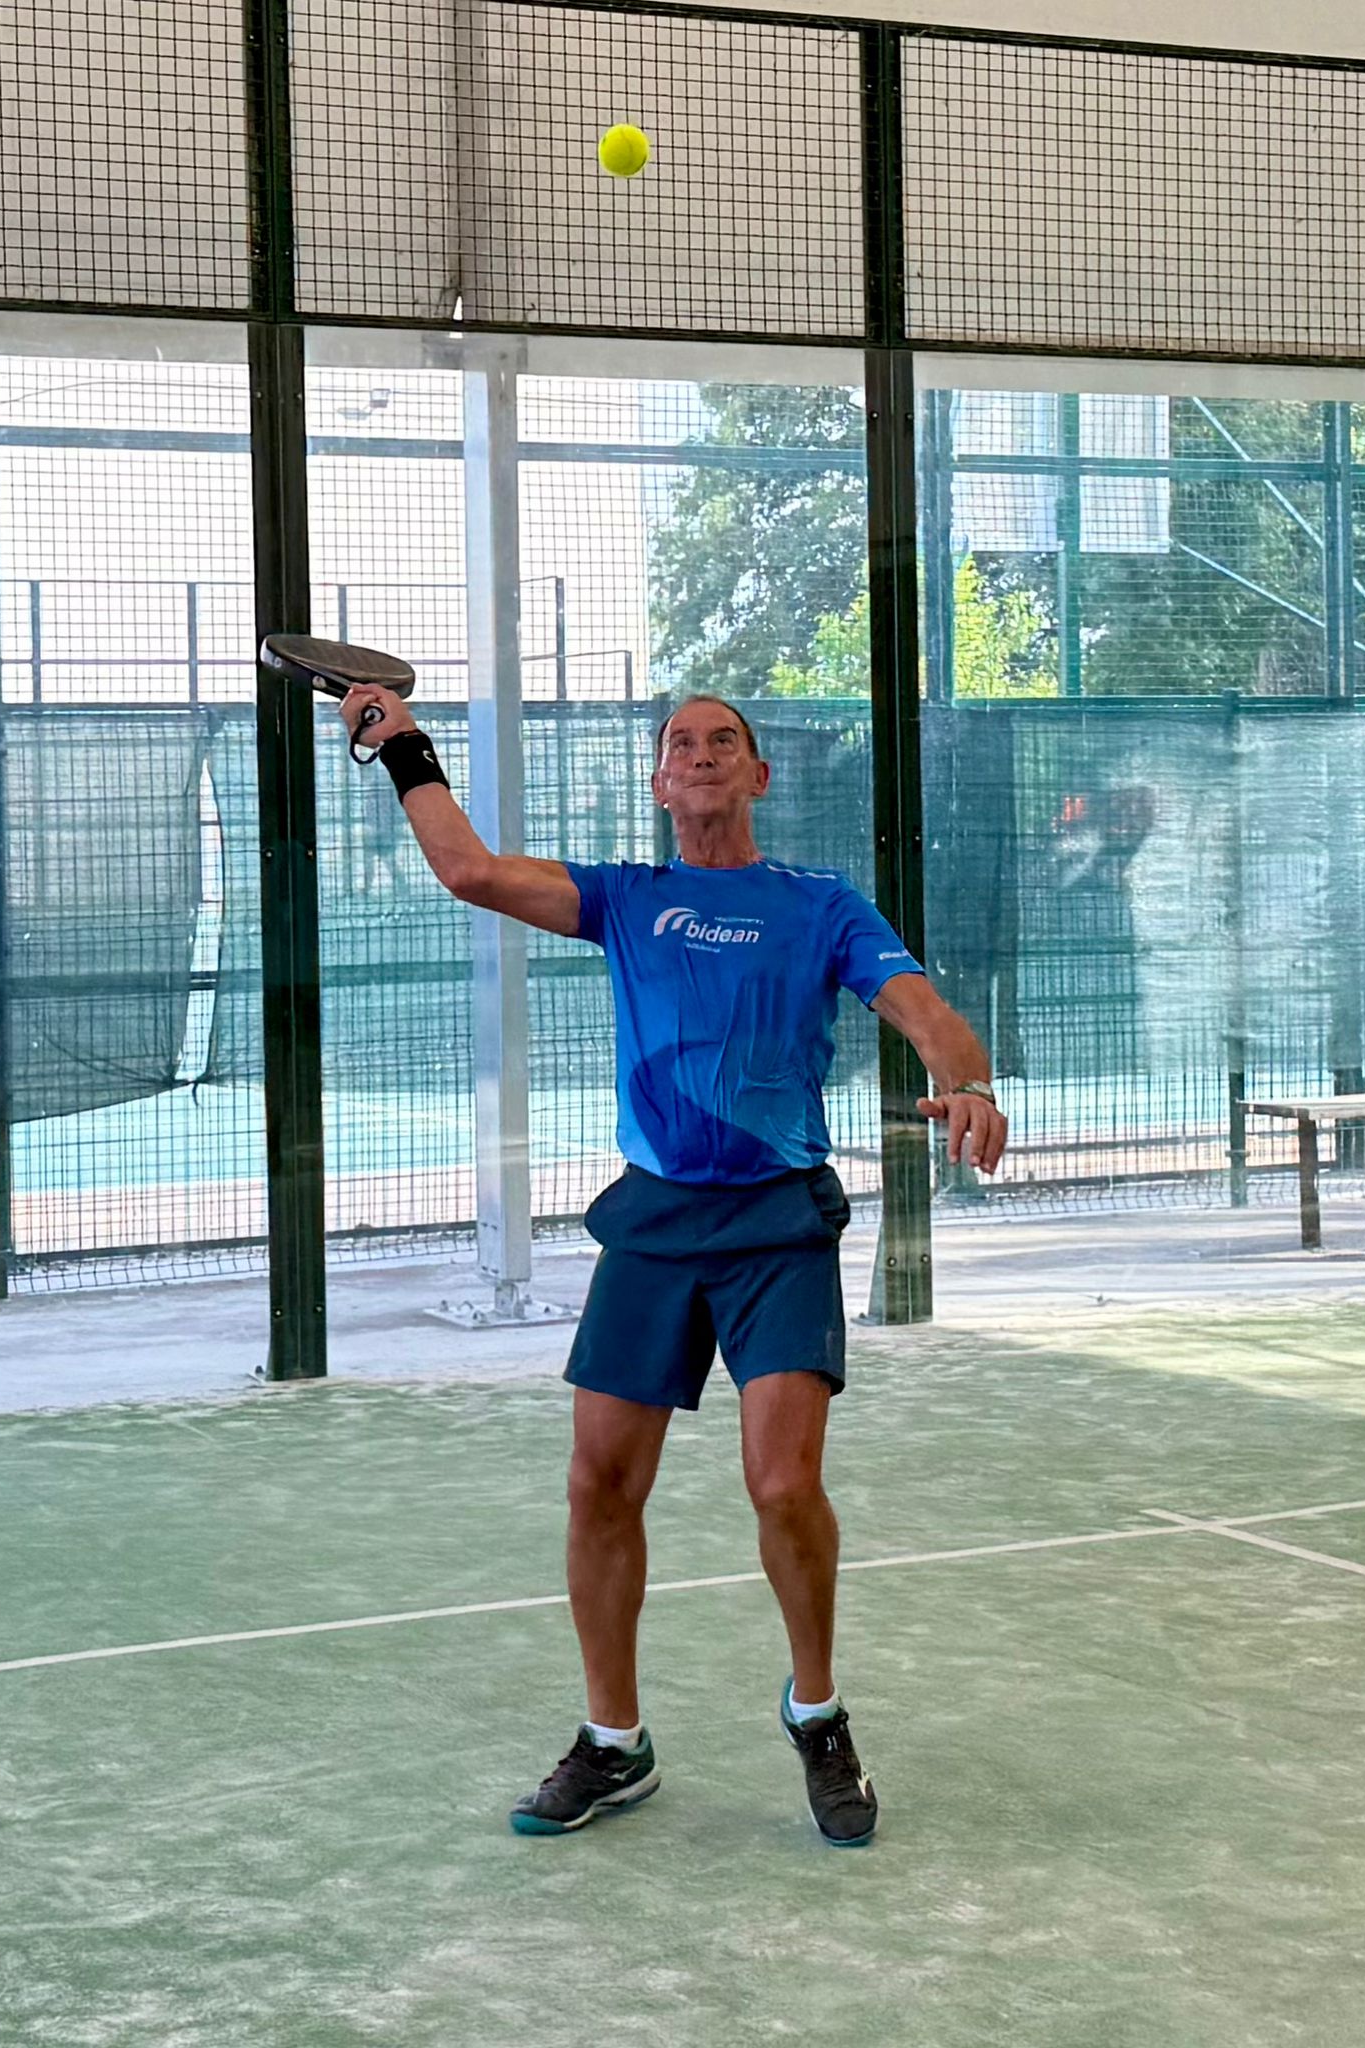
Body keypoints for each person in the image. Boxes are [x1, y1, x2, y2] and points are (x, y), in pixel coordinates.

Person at [339, 685, 1008, 1847]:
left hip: (775, 1224)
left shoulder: (820, 904)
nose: (699, 754)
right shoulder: (626, 897)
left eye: (722, 741)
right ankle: (613, 1741)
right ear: (658, 783)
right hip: (652, 1220)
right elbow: (469, 870)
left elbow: (925, 1012)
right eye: (678, 744)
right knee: (598, 1481)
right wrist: (404, 745)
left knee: (782, 1483)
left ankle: (816, 1712)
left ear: (757, 775)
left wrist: (969, 1081)